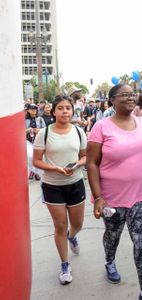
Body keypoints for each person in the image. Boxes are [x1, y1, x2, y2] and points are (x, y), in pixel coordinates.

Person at [87, 84, 142, 300]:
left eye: (132, 94)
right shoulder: (101, 127)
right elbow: (91, 163)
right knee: (113, 236)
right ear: (112, 100)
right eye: (124, 95)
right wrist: (98, 197)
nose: (130, 98)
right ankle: (109, 260)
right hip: (111, 198)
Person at [32, 94, 87, 285]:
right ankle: (65, 263)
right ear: (53, 111)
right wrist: (54, 168)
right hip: (52, 185)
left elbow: (85, 156)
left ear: (73, 111)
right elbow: (36, 161)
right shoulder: (44, 133)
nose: (65, 111)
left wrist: (76, 165)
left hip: (75, 182)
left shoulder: (79, 132)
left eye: (68, 108)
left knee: (77, 224)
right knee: (60, 226)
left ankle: (72, 237)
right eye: (61, 108)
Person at [25, 103, 46, 180]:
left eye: (35, 109)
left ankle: (33, 172)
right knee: (30, 156)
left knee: (36, 157)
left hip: (38, 141)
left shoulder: (40, 119)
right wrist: (27, 130)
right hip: (28, 141)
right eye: (32, 109)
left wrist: (38, 130)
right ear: (28, 110)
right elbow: (21, 131)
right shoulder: (25, 120)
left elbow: (44, 129)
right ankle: (35, 172)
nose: (34, 110)